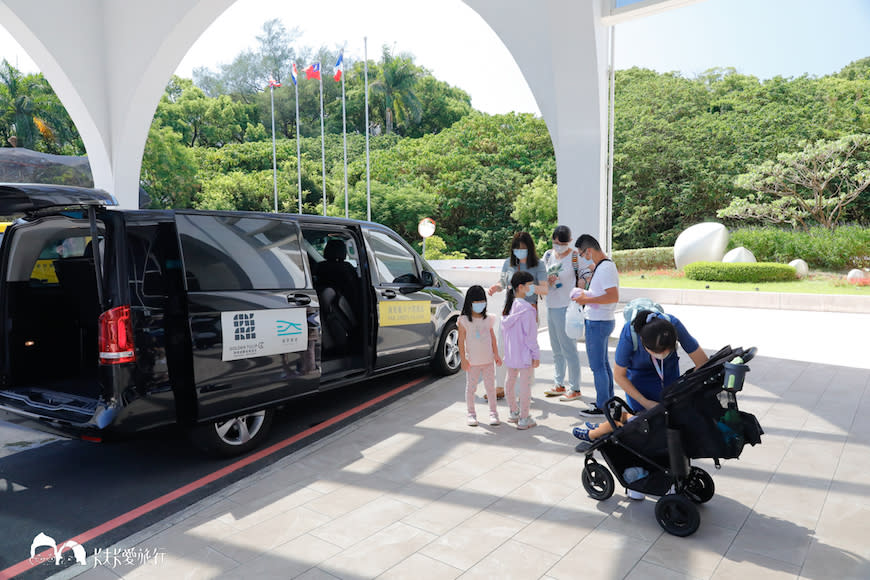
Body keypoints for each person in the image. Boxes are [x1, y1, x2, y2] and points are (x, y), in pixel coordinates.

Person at [487, 232, 547, 399]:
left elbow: (545, 289)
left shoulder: (539, 265)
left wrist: (527, 288)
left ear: (530, 249)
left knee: (526, 351)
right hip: (510, 312)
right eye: (516, 249)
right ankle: (499, 386)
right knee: (502, 347)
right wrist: (496, 287)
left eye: (523, 249)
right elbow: (503, 282)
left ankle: (526, 388)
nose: (519, 252)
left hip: (528, 313)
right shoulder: (508, 263)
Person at [614, 310, 709, 414]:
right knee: (645, 420)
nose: (662, 355)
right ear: (642, 340)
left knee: (674, 413)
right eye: (656, 351)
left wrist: (689, 387)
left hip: (669, 375)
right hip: (639, 380)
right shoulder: (630, 334)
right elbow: (619, 375)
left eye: (667, 350)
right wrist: (645, 402)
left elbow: (702, 362)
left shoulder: (673, 324)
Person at [571, 234, 619, 416]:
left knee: (597, 367)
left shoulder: (605, 268)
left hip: (598, 322)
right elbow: (604, 293)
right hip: (602, 320)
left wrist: (585, 298)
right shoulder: (604, 266)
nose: (583, 258)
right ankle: (608, 401)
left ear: (589, 250)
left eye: (582, 254)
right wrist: (587, 295)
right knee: (603, 365)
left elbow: (612, 296)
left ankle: (602, 406)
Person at [541, 226, 586, 401]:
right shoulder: (547, 255)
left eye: (561, 243)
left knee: (569, 349)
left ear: (569, 241)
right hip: (551, 306)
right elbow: (540, 276)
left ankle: (575, 387)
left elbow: (584, 275)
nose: (558, 246)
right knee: (556, 349)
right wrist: (547, 280)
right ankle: (559, 383)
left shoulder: (575, 257)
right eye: (555, 243)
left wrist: (579, 292)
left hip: (567, 307)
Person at [457, 285, 502, 427]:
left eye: (482, 302)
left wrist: (496, 355)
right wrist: (463, 359)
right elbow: (461, 341)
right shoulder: (463, 320)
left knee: (490, 388)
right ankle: (471, 413)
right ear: (469, 303)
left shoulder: (488, 319)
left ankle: (493, 413)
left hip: (488, 361)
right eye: (476, 302)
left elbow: (493, 338)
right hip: (473, 363)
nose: (479, 305)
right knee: (471, 389)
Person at [501, 270, 540, 430]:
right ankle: (524, 418)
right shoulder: (528, 309)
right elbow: (531, 337)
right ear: (521, 287)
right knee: (525, 386)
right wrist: (535, 355)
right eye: (530, 285)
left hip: (511, 353)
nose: (532, 288)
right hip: (524, 355)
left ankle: (513, 412)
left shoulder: (508, 307)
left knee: (510, 381)